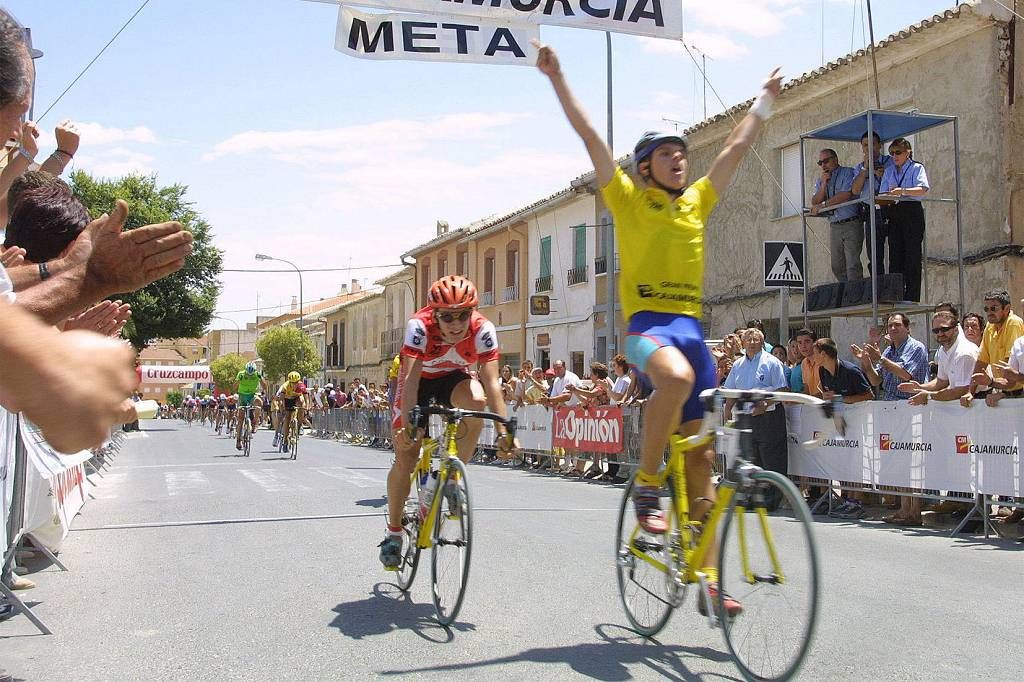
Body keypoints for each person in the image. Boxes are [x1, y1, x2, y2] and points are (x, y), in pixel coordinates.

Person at [536, 39, 781, 618]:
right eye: (668, 153)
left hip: (694, 333)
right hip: (647, 329)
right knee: (669, 381)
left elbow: (736, 148)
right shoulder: (626, 200)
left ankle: (712, 587)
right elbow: (592, 139)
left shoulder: (695, 202)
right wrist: (557, 77)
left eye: (683, 152)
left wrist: (764, 101)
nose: (681, 159)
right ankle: (647, 482)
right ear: (646, 165)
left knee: (702, 472)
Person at [378, 275, 517, 569]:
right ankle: (393, 531)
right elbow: (411, 377)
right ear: (434, 314)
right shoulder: (419, 326)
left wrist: (504, 429)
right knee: (406, 455)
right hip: (419, 381)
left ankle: (453, 478)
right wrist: (408, 424)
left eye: (463, 315)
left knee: (477, 403)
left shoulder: (483, 329)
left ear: (473, 312)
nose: (456, 324)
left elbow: (492, 382)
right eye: (447, 317)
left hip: (455, 380)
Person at [723, 329, 790, 502]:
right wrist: (727, 409)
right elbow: (731, 390)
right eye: (748, 339)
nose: (752, 342)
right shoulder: (738, 365)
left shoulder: (772, 362)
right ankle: (754, 498)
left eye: (756, 339)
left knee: (772, 459)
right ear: (743, 343)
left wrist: (766, 404)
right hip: (746, 416)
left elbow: (782, 390)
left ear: (762, 342)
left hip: (769, 417)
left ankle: (772, 499)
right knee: (750, 457)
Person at [813, 337, 873, 518]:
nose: (813, 357)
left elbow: (869, 394)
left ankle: (857, 501)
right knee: (844, 459)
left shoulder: (850, 371)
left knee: (856, 461)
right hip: (841, 421)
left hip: (859, 422)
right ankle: (847, 498)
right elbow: (829, 395)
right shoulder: (822, 371)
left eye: (816, 353)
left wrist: (843, 399)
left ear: (823, 354)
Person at [879, 137, 929, 301]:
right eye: (892, 153)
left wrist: (902, 191)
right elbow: (882, 192)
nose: (895, 156)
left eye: (898, 152)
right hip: (894, 211)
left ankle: (912, 296)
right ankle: (896, 295)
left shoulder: (916, 167)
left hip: (911, 211)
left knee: (912, 256)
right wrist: (887, 197)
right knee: (895, 256)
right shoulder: (889, 170)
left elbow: (922, 189)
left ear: (908, 152)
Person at [964, 289, 1024, 409]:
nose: (989, 312)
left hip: (1017, 394)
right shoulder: (990, 327)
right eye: (987, 309)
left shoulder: (1013, 323)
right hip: (1001, 390)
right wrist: (970, 391)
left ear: (1006, 309)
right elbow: (981, 363)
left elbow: (1009, 373)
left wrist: (999, 389)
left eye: (994, 308)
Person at [810, 149, 862, 282]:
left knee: (852, 264)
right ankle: (846, 292)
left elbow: (846, 194)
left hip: (851, 223)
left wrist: (823, 205)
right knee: (837, 265)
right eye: (820, 162)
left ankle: (855, 293)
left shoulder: (847, 173)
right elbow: (815, 201)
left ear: (836, 159)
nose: (823, 165)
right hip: (835, 225)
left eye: (826, 161)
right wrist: (823, 185)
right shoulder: (822, 179)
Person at [852, 313, 928, 402]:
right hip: (888, 405)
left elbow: (905, 374)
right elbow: (876, 381)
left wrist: (880, 359)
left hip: (910, 405)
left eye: (897, 325)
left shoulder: (916, 347)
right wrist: (867, 362)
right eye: (890, 326)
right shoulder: (888, 351)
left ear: (907, 328)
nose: (893, 328)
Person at [851, 131, 892, 279]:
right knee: (874, 254)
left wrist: (884, 174)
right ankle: (878, 287)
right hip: (871, 212)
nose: (869, 148)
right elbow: (855, 190)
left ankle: (896, 286)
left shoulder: (890, 162)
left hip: (890, 209)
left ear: (879, 145)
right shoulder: (859, 168)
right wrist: (865, 170)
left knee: (895, 250)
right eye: (865, 145)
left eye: (872, 144)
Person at [235, 362, 267, 450]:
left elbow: (265, 386)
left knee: (259, 402)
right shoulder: (241, 374)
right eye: (248, 374)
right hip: (242, 396)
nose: (249, 376)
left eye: (251, 374)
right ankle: (238, 441)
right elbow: (235, 385)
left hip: (252, 396)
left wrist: (261, 379)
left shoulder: (257, 374)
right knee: (240, 420)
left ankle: (255, 422)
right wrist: (237, 383)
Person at [275, 372, 305, 452]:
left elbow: (306, 397)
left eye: (296, 382)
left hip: (296, 399)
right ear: (289, 381)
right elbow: (281, 400)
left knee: (301, 403)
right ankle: (285, 441)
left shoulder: (301, 385)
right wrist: (282, 409)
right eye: (293, 382)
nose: (295, 384)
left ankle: (299, 425)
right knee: (287, 419)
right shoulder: (285, 386)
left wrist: (306, 407)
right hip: (287, 400)